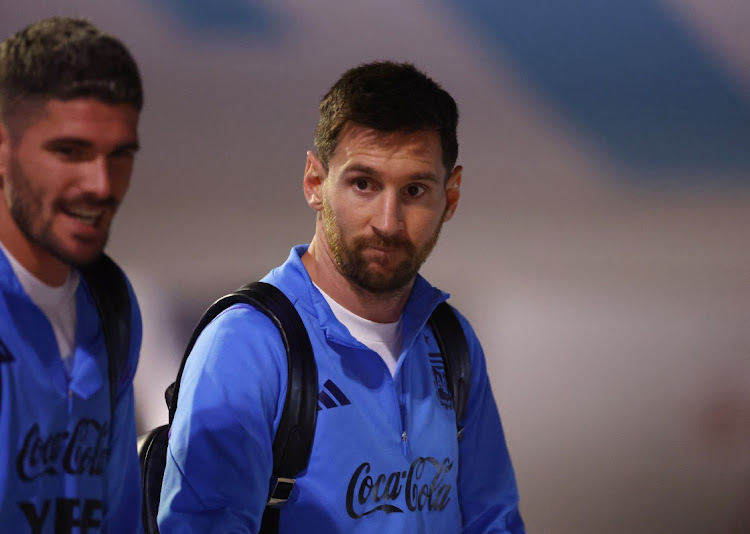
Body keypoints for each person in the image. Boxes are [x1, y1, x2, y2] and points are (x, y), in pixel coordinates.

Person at [159, 61, 524, 533]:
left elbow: (494, 521)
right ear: (315, 182)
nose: (387, 222)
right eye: (363, 184)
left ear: (450, 198)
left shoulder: (451, 341)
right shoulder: (247, 346)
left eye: (414, 190)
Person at [0, 17, 144, 533]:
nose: (101, 185)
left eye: (119, 156)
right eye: (70, 152)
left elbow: (118, 514)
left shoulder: (111, 301)